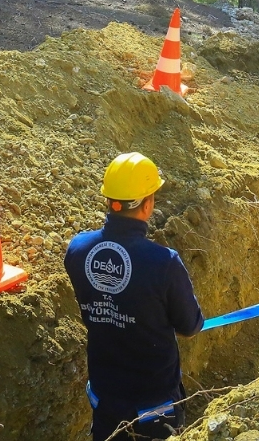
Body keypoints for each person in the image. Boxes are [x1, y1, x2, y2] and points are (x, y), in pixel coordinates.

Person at [65, 153, 205, 440]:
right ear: (148, 203)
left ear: (109, 201)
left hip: (105, 397)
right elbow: (190, 326)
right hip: (155, 404)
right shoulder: (163, 262)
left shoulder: (78, 250)